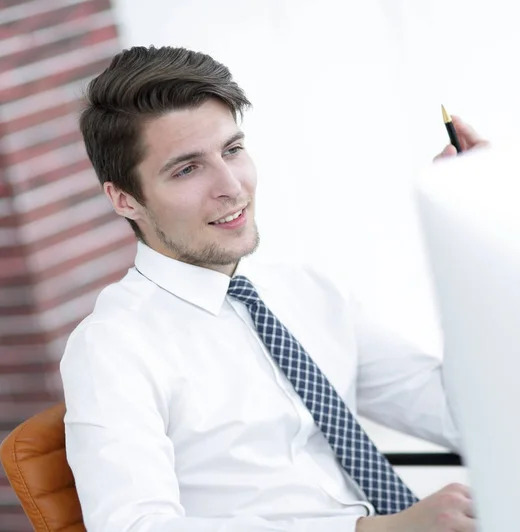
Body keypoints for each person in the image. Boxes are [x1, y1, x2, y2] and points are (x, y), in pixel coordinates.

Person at [60, 45, 488, 532]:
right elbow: (132, 527)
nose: (231, 186)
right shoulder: (113, 347)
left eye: (232, 150)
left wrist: (481, 241)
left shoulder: (305, 292)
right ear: (124, 199)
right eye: (186, 169)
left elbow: (465, 417)